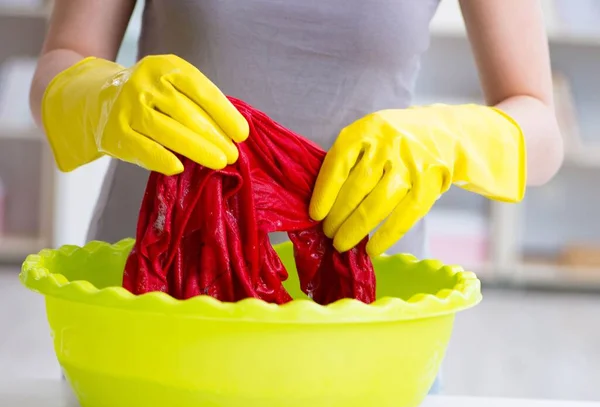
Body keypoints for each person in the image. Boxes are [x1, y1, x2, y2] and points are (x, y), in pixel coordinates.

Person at [31, 1, 562, 282]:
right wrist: (103, 96)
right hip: (154, 286)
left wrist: (452, 138)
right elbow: (61, 60)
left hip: (362, 311)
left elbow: (541, 129)